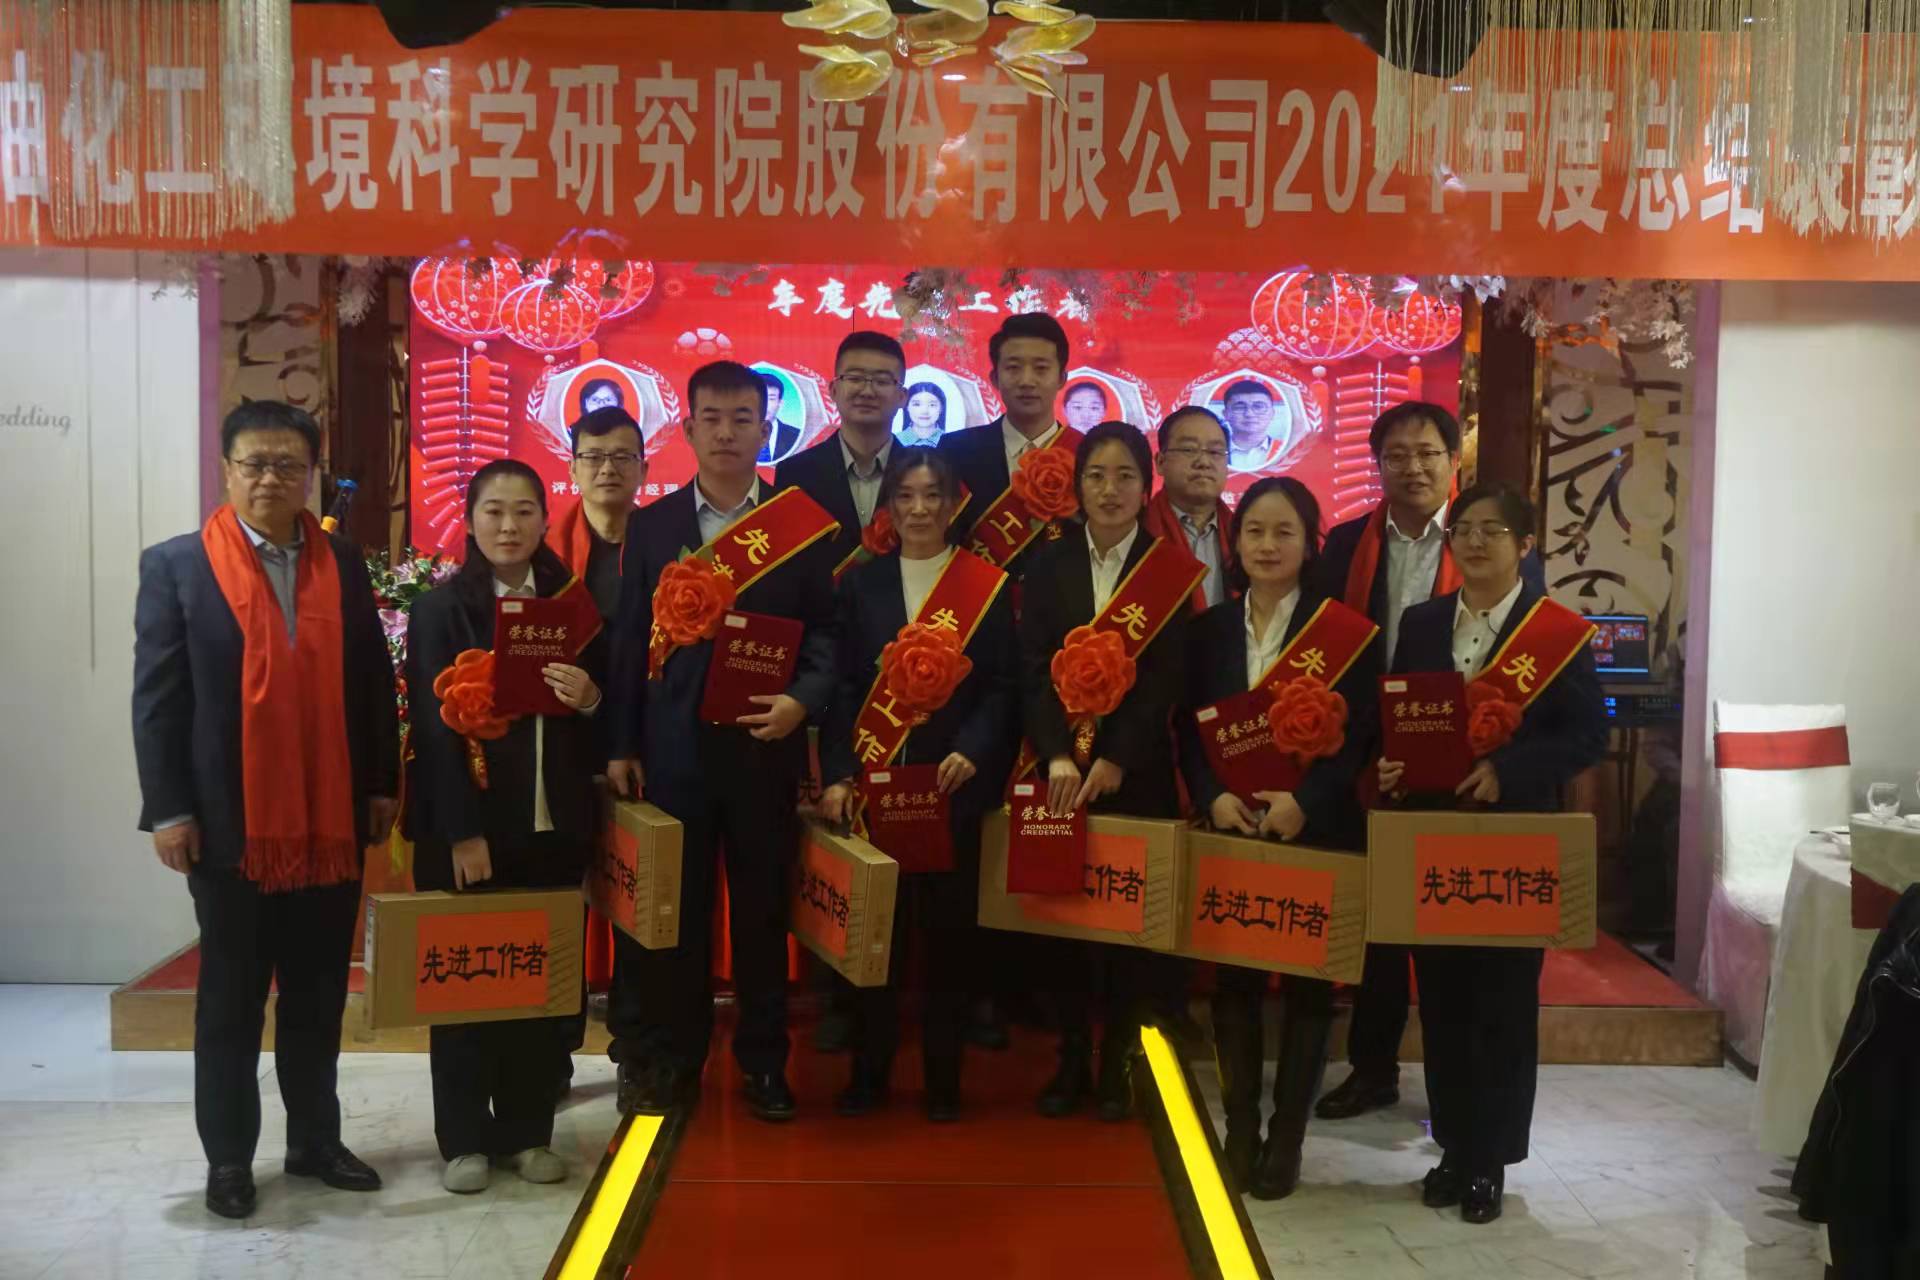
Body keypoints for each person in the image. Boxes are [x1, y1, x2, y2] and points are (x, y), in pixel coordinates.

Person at [133, 400, 397, 1220]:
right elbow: (158, 701)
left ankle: (315, 1140)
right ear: (227, 470)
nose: (271, 479)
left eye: (288, 465)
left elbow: (369, 681)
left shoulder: (340, 561)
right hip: (228, 824)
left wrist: (381, 784)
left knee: (317, 994)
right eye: (255, 463)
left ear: (310, 475)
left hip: (330, 821)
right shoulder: (178, 566)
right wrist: (168, 810)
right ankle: (229, 1159)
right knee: (232, 1001)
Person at [605, 360, 841, 1122]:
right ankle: (679, 1061)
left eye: (743, 418)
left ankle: (765, 1064)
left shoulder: (799, 527)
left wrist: (800, 702)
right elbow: (628, 641)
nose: (728, 432)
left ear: (766, 428)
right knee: (679, 918)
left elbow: (826, 636)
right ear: (687, 428)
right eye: (712, 417)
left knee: (763, 915)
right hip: (674, 755)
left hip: (763, 751)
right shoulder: (653, 528)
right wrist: (622, 743)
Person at [1309, 401, 1546, 1124]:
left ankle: (1465, 1097)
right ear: (1378, 465)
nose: (1412, 468)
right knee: (1378, 925)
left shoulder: (1486, 541)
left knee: (1455, 930)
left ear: (1452, 461)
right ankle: (1372, 1067)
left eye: (1427, 453)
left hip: (1468, 764)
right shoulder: (1344, 546)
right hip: (1368, 753)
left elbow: (1532, 667)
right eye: (1397, 456)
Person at [1379, 482, 1604, 1224]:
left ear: (1524, 544)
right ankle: (1453, 1147)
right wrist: (1393, 765)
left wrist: (1509, 770)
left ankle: (1491, 1161)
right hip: (1433, 838)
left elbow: (1586, 737)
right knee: (1443, 1001)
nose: (1475, 542)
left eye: (1493, 530)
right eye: (1464, 529)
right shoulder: (1422, 623)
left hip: (1515, 842)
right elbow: (1402, 717)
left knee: (1503, 1003)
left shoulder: (1557, 632)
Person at [406, 460, 606, 1194]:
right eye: (493, 511)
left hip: (551, 827)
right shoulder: (441, 611)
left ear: (544, 519)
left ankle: (527, 1133)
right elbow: (434, 733)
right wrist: (462, 832)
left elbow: (608, 714)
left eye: (524, 511)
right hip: (473, 834)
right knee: (467, 987)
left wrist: (590, 699)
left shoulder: (573, 607)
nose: (509, 526)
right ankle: (463, 1139)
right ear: (469, 521)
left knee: (537, 987)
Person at [1176, 477, 1378, 1199]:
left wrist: (1307, 802)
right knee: (1233, 984)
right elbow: (1189, 731)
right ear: (1235, 543)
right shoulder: (1208, 632)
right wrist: (1213, 795)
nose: (1267, 545)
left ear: (1308, 544)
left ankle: (1286, 1139)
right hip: (1233, 829)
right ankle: (1240, 1129)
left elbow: (1360, 737)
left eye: (1284, 531)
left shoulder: (1344, 634)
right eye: (1255, 531)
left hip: (1314, 830)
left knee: (1307, 991)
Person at [817, 448, 1017, 1121]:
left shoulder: (984, 583)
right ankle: (869, 1075)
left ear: (955, 504)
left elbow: (1002, 686)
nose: (920, 509)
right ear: (890, 506)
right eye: (906, 495)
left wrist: (973, 750)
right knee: (876, 939)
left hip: (951, 790)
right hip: (877, 791)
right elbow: (843, 688)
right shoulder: (861, 585)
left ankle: (942, 1083)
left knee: (949, 945)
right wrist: (839, 772)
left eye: (933, 495)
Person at [1019, 422, 1200, 1120]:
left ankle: (1120, 1059)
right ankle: (1070, 1059)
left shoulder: (1167, 569)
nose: (1110, 489)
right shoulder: (1048, 564)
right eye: (1096, 475)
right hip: (1060, 776)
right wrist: (1056, 753)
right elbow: (1032, 668)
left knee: (1130, 930)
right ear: (1077, 486)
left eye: (1125, 475)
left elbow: (1167, 679)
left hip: (1137, 774)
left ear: (1147, 485)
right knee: (1064, 928)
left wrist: (1119, 756)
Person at [546, 405, 648, 1090]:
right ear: (573, 466)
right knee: (563, 903)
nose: (608, 468)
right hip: (560, 753)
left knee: (638, 902)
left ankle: (635, 1048)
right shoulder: (545, 555)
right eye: (593, 456)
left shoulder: (663, 545)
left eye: (621, 456)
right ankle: (553, 1053)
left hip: (640, 750)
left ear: (643, 466)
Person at [941, 312, 1077, 574]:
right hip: (980, 596)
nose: (1027, 381)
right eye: (1013, 368)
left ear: (1062, 378)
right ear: (994, 378)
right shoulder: (954, 452)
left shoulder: (1086, 454)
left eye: (1041, 368)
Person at [776, 331, 907, 567]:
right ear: (834, 390)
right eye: (855, 378)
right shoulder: (795, 475)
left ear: (902, 397)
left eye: (882, 381)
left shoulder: (926, 473)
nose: (867, 391)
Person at [1144, 406, 1233, 613]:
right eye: (1189, 450)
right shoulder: (1138, 531)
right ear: (1160, 462)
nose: (1204, 462)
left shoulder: (1243, 535)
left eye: (1215, 452)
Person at [1221, 380, 1282, 473]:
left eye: (1258, 407)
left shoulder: (1286, 451)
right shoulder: (1213, 451)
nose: (1249, 414)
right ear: (1225, 414)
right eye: (1240, 407)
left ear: (1272, 413)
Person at [756, 372, 801, 462]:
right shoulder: (735, 434)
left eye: (771, 399)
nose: (764, 404)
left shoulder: (795, 436)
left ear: (780, 403)